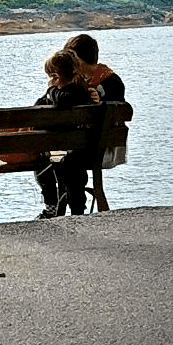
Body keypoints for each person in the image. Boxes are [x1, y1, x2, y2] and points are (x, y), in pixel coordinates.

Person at [34, 48, 98, 218]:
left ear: (56, 76)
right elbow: (40, 104)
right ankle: (68, 208)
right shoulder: (83, 90)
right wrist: (50, 93)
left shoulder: (71, 93)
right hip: (79, 148)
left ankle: (55, 207)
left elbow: (61, 101)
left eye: (51, 77)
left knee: (47, 164)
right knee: (61, 166)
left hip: (72, 149)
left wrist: (51, 90)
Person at [64, 33, 126, 102]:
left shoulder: (112, 82)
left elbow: (116, 104)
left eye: (71, 58)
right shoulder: (72, 79)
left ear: (79, 59)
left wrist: (98, 99)